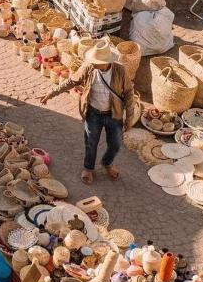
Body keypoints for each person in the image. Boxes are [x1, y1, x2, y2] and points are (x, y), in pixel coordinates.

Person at [40, 38, 134, 185]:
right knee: (91, 142)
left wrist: (129, 118)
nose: (94, 63)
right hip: (93, 113)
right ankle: (88, 168)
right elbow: (71, 81)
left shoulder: (120, 70)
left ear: (106, 61)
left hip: (113, 114)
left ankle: (107, 163)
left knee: (116, 143)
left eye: (97, 61)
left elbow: (129, 93)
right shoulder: (89, 67)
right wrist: (52, 93)